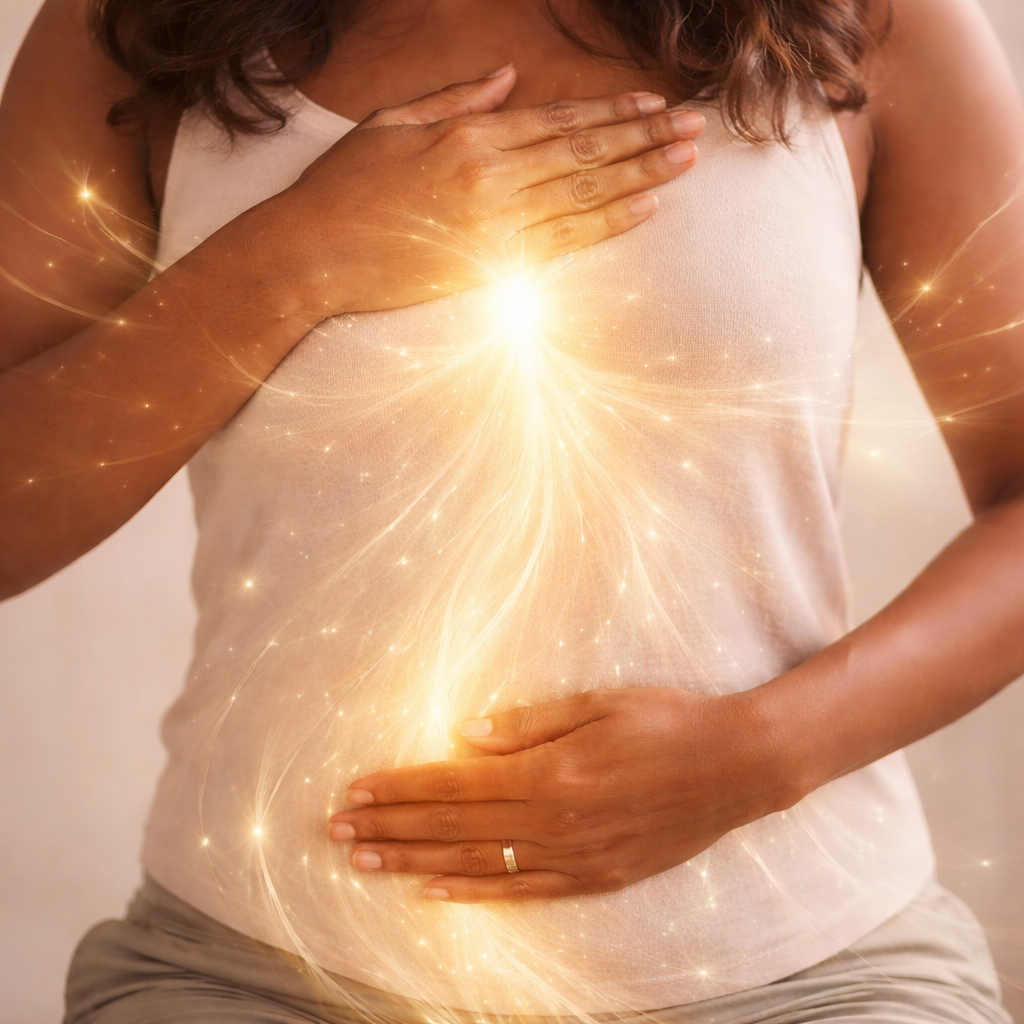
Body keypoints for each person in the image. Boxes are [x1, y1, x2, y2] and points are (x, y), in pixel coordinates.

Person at [1, 0, 1023, 1020]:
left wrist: (759, 754)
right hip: (258, 969)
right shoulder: (130, 23)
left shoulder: (883, 20)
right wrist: (293, 261)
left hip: (806, 976)